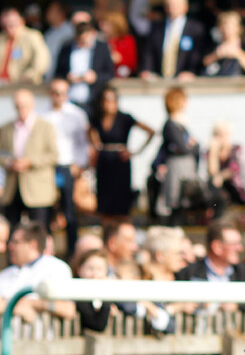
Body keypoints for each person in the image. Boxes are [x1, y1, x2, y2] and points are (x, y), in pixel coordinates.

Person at [89, 87, 154, 217]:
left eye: (112, 100)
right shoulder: (96, 119)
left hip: (120, 162)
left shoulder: (124, 118)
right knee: (105, 204)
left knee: (120, 203)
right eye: (106, 100)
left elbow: (150, 131)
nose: (109, 103)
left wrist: (135, 152)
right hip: (104, 163)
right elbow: (92, 137)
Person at [43, 78, 89, 258]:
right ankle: (48, 251)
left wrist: (79, 165)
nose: (59, 96)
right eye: (55, 92)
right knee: (49, 211)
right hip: (48, 168)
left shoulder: (77, 115)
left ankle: (72, 253)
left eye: (62, 92)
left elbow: (82, 143)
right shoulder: (43, 115)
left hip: (68, 167)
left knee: (69, 212)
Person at [0, 89, 58, 229]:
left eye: (24, 105)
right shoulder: (6, 128)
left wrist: (30, 162)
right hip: (13, 188)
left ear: (32, 105)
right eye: (18, 105)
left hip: (37, 190)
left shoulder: (45, 127)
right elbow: (2, 154)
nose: (21, 109)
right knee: (12, 229)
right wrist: (10, 163)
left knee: (38, 230)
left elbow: (53, 155)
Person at [175, 220, 245, 312]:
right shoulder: (189, 272)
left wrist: (237, 305)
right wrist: (184, 305)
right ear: (217, 247)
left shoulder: (242, 272)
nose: (240, 248)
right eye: (235, 244)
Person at [0, 222, 75, 321]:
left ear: (32, 245)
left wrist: (30, 303)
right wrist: (17, 307)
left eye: (15, 242)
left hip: (42, 335)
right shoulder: (5, 274)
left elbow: (68, 309)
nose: (10, 246)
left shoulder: (56, 267)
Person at [158, 88, 201, 223]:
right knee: (174, 198)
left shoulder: (181, 125)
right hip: (177, 168)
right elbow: (183, 147)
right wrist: (191, 145)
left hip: (185, 168)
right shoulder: (171, 125)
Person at [140, 0, 206, 80]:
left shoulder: (196, 29)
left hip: (185, 80)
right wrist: (147, 70)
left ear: (185, 7)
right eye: (169, 4)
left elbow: (198, 53)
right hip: (159, 79)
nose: (172, 7)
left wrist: (191, 71)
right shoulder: (157, 27)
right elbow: (149, 51)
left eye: (177, 4)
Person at [53, 21, 114, 112]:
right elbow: (58, 73)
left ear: (93, 34)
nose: (82, 43)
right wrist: (67, 77)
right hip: (70, 101)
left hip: (94, 103)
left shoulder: (102, 48)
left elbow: (110, 74)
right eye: (79, 40)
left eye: (85, 40)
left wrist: (95, 77)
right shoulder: (66, 48)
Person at [0, 7, 51, 85]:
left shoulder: (32, 36)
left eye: (12, 23)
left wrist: (29, 76)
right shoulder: (1, 38)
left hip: (25, 85)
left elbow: (41, 61)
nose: (8, 27)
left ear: (22, 21)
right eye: (5, 25)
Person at [201, 11, 245, 76]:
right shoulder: (213, 46)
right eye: (224, 27)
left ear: (238, 28)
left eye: (230, 27)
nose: (227, 30)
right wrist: (217, 55)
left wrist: (238, 53)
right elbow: (202, 64)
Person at [73, 249, 114, 331]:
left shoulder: (112, 290)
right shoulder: (76, 293)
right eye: (90, 268)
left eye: (99, 269)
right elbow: (96, 325)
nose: (94, 274)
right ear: (79, 270)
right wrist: (107, 304)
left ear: (106, 271)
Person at [99, 10, 138, 78]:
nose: (103, 28)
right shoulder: (101, 40)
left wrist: (120, 60)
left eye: (107, 25)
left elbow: (133, 63)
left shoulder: (127, 41)